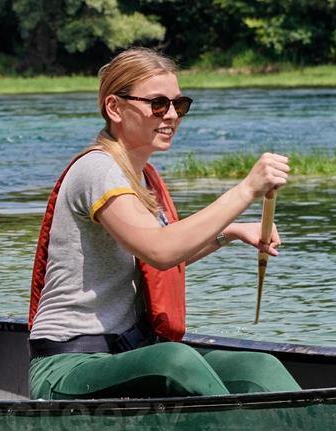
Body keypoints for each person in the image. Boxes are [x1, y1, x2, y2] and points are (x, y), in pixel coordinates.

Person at [26, 48, 302, 400]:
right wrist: (246, 189)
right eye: (158, 104)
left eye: (179, 104)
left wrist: (229, 233)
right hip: (68, 367)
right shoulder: (97, 170)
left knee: (257, 367)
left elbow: (160, 258)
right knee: (175, 360)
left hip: (126, 355)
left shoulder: (144, 178)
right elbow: (159, 250)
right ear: (115, 108)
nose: (172, 115)